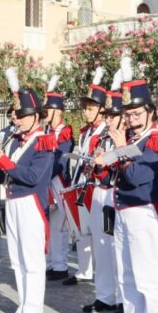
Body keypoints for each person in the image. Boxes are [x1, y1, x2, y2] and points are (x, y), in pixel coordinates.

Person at [101, 69, 158, 313]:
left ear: (150, 112)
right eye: (127, 114)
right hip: (124, 212)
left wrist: (119, 150)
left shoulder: (157, 141)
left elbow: (137, 177)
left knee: (147, 279)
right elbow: (116, 174)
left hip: (145, 214)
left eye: (136, 113)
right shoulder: (131, 140)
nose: (130, 119)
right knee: (127, 277)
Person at [0, 86, 54, 313]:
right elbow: (8, 173)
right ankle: (22, 306)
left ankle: (34, 311)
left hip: (31, 204)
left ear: (35, 115)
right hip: (13, 201)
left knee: (32, 259)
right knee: (17, 258)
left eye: (21, 115)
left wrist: (4, 162)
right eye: (15, 115)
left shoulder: (44, 141)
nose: (17, 119)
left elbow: (33, 176)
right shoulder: (14, 140)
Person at [83, 73, 125, 313]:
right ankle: (104, 295)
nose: (108, 120)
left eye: (112, 116)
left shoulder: (126, 139)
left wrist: (105, 165)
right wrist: (94, 165)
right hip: (99, 192)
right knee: (101, 247)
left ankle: (121, 299)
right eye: (107, 116)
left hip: (115, 194)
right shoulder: (101, 138)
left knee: (117, 249)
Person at [65, 67, 108, 287]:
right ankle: (84, 270)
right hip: (81, 180)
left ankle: (99, 271)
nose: (86, 112)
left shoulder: (105, 131)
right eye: (86, 108)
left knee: (96, 231)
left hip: (96, 183)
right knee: (82, 231)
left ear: (102, 110)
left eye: (90, 108)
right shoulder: (84, 131)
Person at [43, 83, 74, 282]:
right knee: (48, 225)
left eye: (49, 110)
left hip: (58, 181)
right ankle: (51, 263)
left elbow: (61, 161)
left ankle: (60, 265)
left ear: (58, 111)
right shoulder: (45, 130)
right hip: (45, 180)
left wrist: (43, 174)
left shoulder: (65, 132)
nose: (45, 113)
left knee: (60, 226)